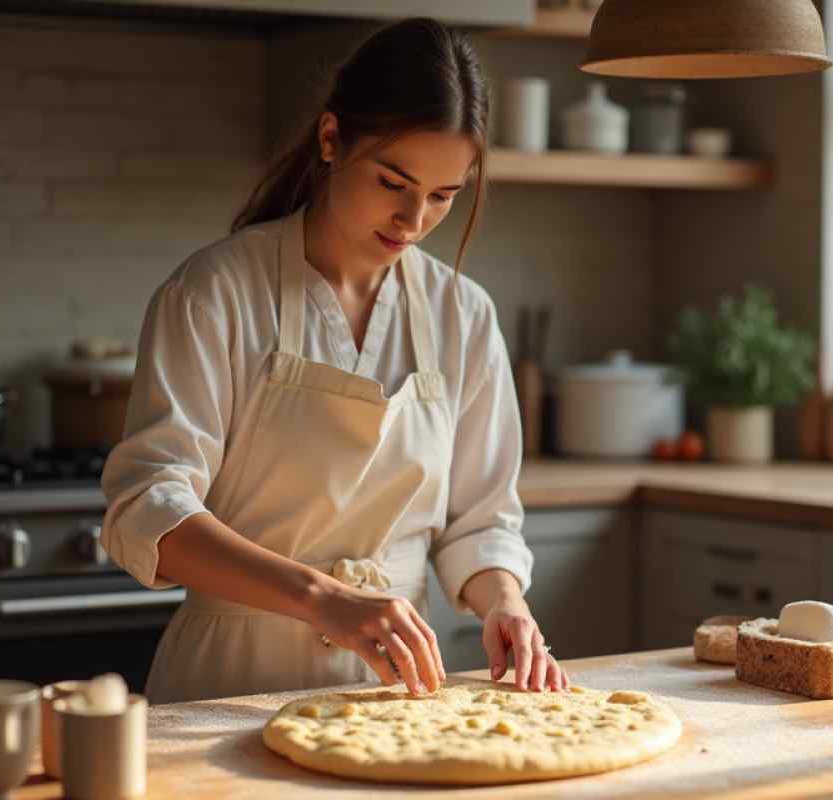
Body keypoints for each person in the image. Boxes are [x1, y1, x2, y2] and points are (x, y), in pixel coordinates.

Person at [100, 17, 568, 705]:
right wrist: (324, 598)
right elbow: (149, 512)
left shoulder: (462, 315)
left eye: (443, 196)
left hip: (396, 695)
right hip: (226, 687)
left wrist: (506, 603)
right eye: (392, 182)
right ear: (330, 139)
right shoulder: (215, 292)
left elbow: (482, 520)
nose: (413, 220)